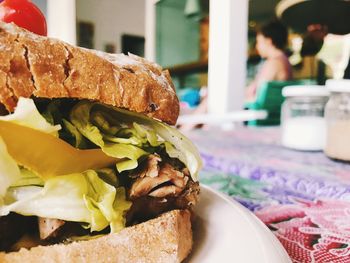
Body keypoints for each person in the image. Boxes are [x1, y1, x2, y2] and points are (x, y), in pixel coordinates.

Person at [246, 20, 293, 101]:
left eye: (258, 42)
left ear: (268, 41)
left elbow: (258, 94)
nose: (257, 47)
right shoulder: (282, 60)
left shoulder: (274, 63)